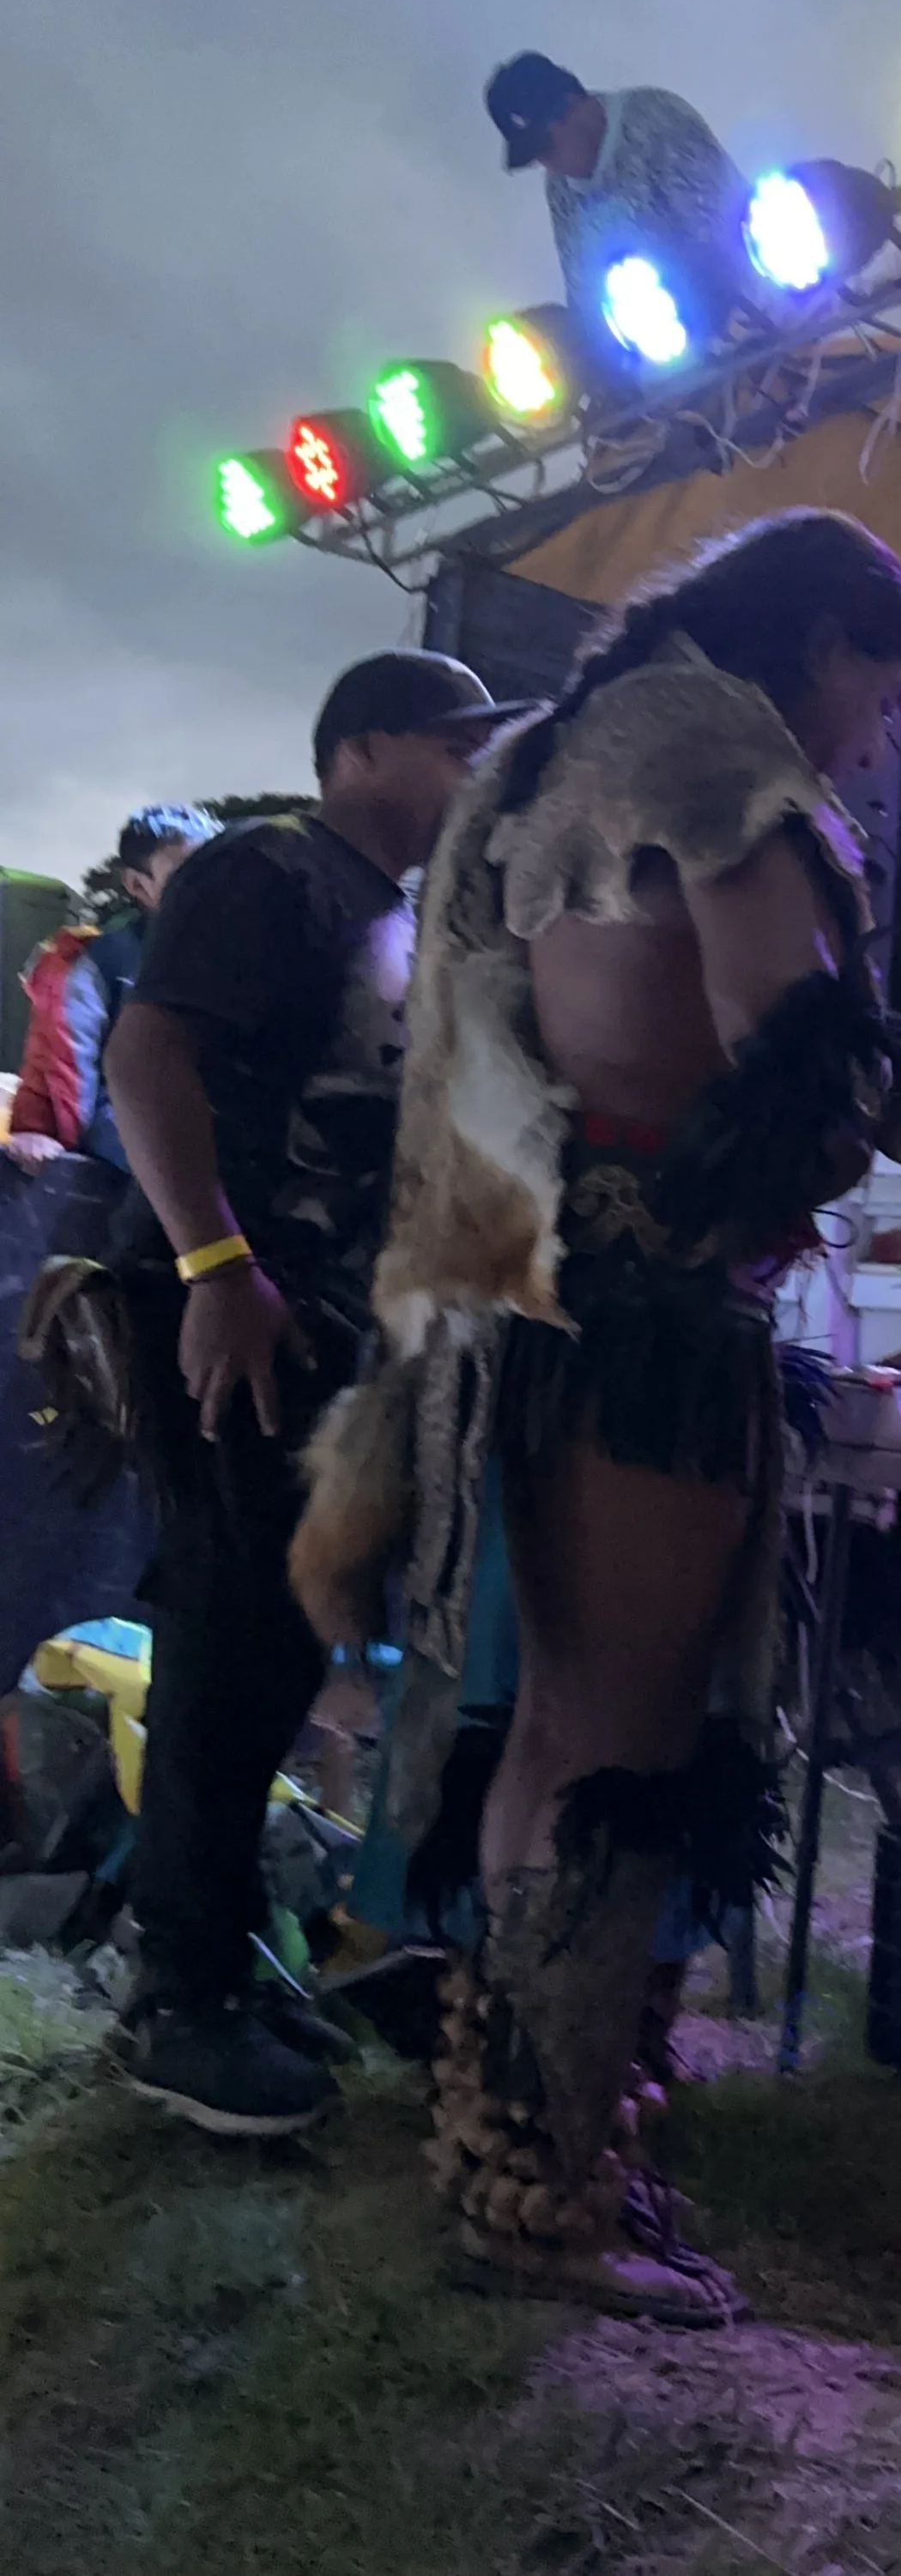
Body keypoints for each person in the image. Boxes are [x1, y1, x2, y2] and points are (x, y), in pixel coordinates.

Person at [290, 511, 901, 2325]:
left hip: (531, 1298)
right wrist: (857, 1122)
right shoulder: (722, 759)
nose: (876, 735)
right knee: (617, 1740)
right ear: (819, 642)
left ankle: (515, 2131)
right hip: (651, 1320)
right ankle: (557, 2183)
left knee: (542, 1728)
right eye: (881, 692)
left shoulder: (549, 756)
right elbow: (787, 1056)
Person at [103, 655, 512, 2138]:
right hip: (236, 1311)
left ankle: (221, 1951)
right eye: (456, 737)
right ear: (362, 747)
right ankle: (179, 2000)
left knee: (281, 1643)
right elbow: (147, 1054)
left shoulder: (392, 911)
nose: (481, 761)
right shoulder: (268, 868)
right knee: (228, 1629)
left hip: (321, 1325)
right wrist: (215, 1263)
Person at [5, 806, 211, 1173]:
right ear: (137, 885)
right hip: (129, 1122)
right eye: (186, 874)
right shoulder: (105, 961)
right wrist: (36, 1130)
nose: (209, 886)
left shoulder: (243, 952)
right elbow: (61, 1059)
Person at [484, 51, 749, 329]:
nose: (546, 162)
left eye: (546, 146)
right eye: (536, 155)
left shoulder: (655, 121)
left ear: (572, 108)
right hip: (658, 349)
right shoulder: (560, 186)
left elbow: (720, 237)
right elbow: (582, 292)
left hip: (753, 320)